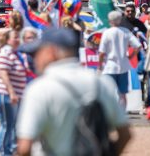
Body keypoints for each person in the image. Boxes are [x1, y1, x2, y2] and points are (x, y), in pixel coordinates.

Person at [16, 28, 132, 156]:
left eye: (36, 53)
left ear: (51, 52)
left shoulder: (39, 88)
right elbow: (125, 134)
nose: (34, 59)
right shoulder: (102, 83)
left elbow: (25, 148)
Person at [0, 29, 26, 155]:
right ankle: (3, 152)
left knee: (12, 125)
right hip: (4, 94)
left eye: (18, 37)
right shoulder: (5, 52)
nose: (17, 39)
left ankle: (8, 150)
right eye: (15, 37)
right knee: (7, 125)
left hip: (12, 94)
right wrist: (11, 92)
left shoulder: (16, 53)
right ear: (7, 39)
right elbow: (3, 73)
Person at [98, 11, 142, 109]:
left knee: (109, 92)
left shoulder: (107, 33)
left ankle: (109, 112)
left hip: (110, 66)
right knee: (122, 94)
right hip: (123, 65)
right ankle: (122, 113)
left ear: (110, 20)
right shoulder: (126, 32)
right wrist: (131, 56)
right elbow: (138, 46)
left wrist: (100, 65)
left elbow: (101, 52)